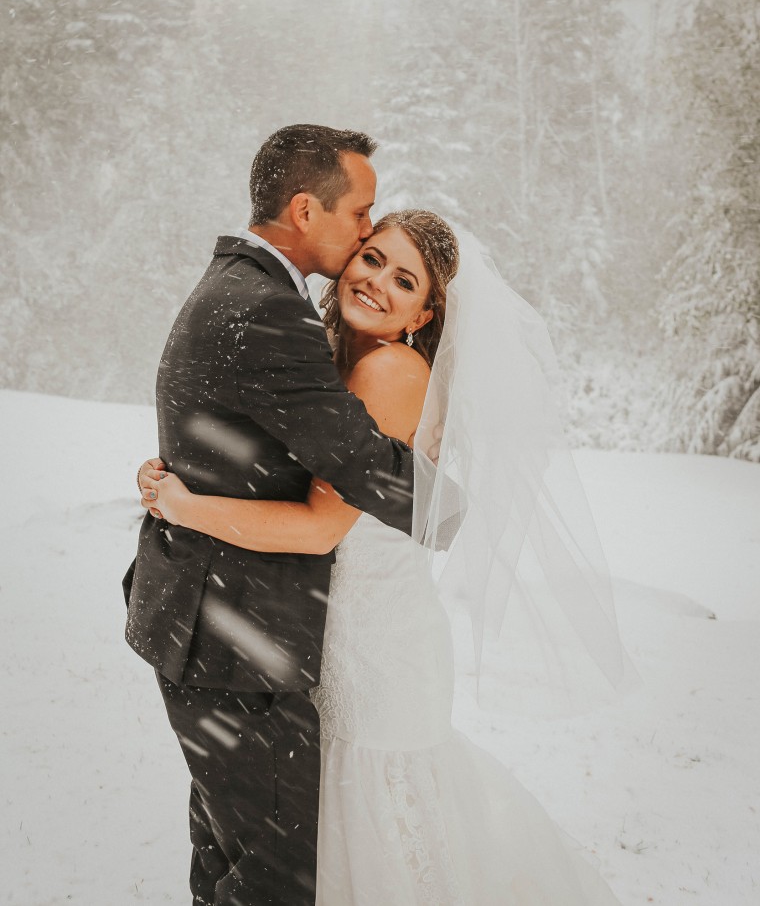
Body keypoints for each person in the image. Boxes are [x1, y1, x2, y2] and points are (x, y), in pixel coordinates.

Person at [140, 209, 629, 905]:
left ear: (423, 313)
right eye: (372, 259)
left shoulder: (393, 372)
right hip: (326, 633)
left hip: (376, 648)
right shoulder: (333, 359)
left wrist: (182, 507)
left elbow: (316, 528)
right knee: (325, 823)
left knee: (378, 821)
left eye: (404, 281)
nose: (376, 282)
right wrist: (171, 477)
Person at [124, 125, 425, 906]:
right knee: (275, 881)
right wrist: (454, 504)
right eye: (360, 214)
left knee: (230, 857)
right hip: (232, 645)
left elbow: (242, 436)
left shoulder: (240, 285)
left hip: (216, 633)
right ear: (304, 210)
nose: (366, 228)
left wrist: (173, 490)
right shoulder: (264, 307)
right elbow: (355, 457)